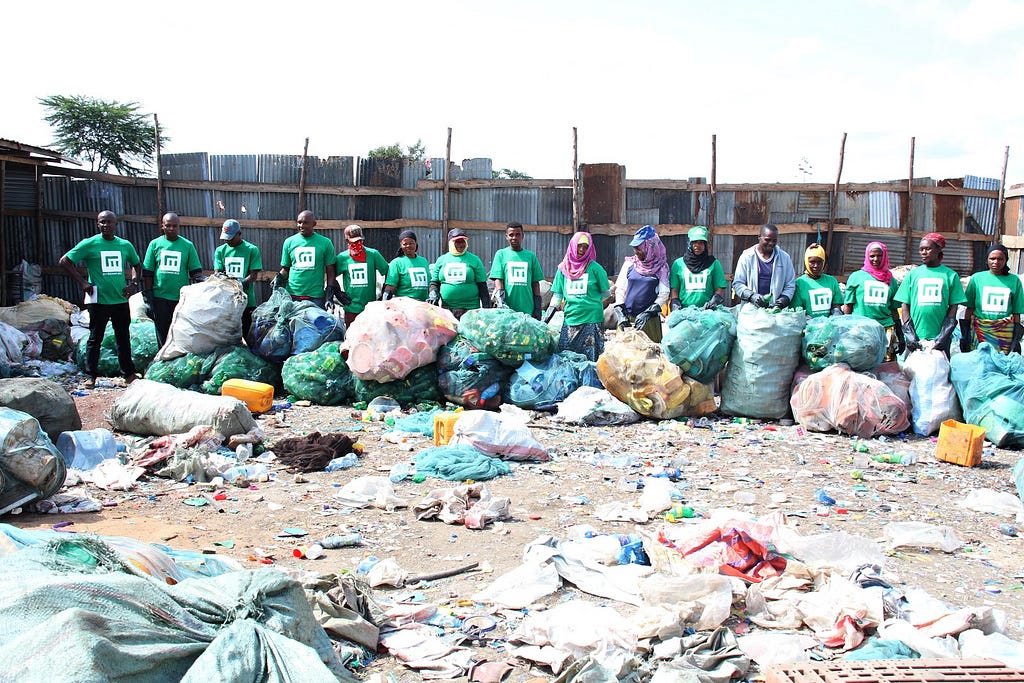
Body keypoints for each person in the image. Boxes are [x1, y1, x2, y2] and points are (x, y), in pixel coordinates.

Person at [59, 210, 141, 388]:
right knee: (95, 338)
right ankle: (91, 376)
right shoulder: (89, 244)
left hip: (119, 300)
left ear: (115, 224)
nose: (106, 225)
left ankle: (128, 374)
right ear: (98, 224)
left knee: (123, 338)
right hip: (98, 301)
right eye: (102, 222)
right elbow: (65, 261)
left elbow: (137, 265)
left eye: (109, 222)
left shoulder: (125, 245)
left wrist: (133, 283)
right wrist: (82, 282)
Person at [542, 232, 611, 362]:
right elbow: (557, 296)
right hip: (570, 320)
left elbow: (606, 294)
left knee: (591, 360)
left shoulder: (595, 268)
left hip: (592, 321)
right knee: (565, 358)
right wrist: (546, 319)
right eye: (579, 246)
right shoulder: (563, 269)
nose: (582, 250)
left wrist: (591, 302)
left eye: (586, 247)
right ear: (573, 246)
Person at [894, 233, 967, 356]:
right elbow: (905, 304)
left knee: (940, 372)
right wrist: (910, 334)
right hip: (916, 335)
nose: (923, 252)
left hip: (939, 338)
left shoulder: (950, 276)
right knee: (911, 372)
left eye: (928, 249)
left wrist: (943, 335)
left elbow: (953, 307)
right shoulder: (913, 275)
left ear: (939, 249)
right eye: (921, 249)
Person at [142, 212, 203, 347]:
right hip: (160, 297)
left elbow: (196, 273)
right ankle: (162, 363)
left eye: (174, 226)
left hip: (180, 298)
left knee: (179, 333)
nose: (171, 229)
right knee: (162, 334)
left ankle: (177, 362)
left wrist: (208, 282)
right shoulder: (155, 244)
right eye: (168, 225)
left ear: (179, 227)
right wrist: (149, 296)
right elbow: (148, 273)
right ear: (162, 226)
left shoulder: (187, 245)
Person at [842, 241, 905, 359]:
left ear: (884, 256)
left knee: (885, 369)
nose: (876, 259)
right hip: (860, 329)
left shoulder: (891, 280)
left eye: (879, 255)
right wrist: (845, 329)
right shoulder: (856, 277)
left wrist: (900, 333)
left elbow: (894, 309)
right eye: (872, 256)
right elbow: (848, 306)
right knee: (861, 363)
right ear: (867, 256)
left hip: (885, 329)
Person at [961, 244, 1024, 354]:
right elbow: (970, 309)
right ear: (987, 260)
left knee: (1002, 364)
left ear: (1006, 260)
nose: (996, 262)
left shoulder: (1014, 281)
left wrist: (1016, 338)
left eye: (1000, 259)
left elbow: (1016, 313)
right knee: (981, 362)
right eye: (992, 258)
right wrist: (965, 333)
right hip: (981, 331)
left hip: (1004, 334)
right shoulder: (977, 278)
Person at [613, 225, 670, 342]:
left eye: (639, 248)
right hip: (628, 318)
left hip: (649, 321)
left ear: (650, 248)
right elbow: (620, 289)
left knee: (648, 356)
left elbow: (664, 294)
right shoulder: (630, 264)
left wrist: (647, 313)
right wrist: (620, 312)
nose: (636, 252)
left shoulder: (661, 267)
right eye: (634, 248)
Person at [273, 210, 340, 308]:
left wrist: (329, 295)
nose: (301, 225)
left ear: (314, 224)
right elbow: (285, 269)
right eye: (299, 222)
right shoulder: (289, 242)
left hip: (316, 297)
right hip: (293, 296)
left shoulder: (326, 243)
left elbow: (330, 271)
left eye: (305, 223)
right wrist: (278, 279)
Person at [213, 219, 262, 339]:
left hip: (246, 301)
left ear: (239, 234)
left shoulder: (251, 250)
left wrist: (238, 286)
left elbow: (253, 275)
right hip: (227, 302)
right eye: (225, 238)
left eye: (231, 237)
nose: (227, 240)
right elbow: (217, 273)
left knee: (246, 336)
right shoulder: (220, 251)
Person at [428, 228, 490, 319]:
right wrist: (433, 293)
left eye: (463, 241)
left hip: (471, 310)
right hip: (447, 310)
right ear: (450, 243)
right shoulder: (441, 260)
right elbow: (434, 283)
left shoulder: (474, 260)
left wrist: (486, 309)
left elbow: (482, 286)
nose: (460, 244)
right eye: (457, 242)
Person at [731, 224, 796, 309]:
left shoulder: (784, 258)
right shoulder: (747, 256)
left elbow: (790, 285)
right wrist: (751, 296)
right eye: (767, 240)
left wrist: (783, 300)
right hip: (751, 311)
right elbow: (738, 283)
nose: (771, 243)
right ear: (759, 237)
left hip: (775, 311)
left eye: (774, 240)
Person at [335, 224, 388, 325]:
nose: (357, 244)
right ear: (347, 241)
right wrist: (338, 292)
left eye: (359, 241)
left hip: (370, 308)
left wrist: (384, 292)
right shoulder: (342, 258)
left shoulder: (373, 254)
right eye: (354, 242)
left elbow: (388, 273)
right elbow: (331, 276)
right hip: (351, 308)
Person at [489, 221, 544, 318]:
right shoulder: (501, 254)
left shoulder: (530, 256)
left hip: (528, 309)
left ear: (523, 236)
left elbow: (535, 283)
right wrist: (501, 301)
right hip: (508, 309)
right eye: (511, 235)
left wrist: (537, 306)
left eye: (517, 234)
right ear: (506, 237)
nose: (514, 237)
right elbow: (498, 280)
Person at [669, 225, 727, 310]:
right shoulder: (678, 264)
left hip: (708, 312)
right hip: (684, 311)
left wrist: (714, 301)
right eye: (694, 242)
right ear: (690, 244)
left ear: (705, 244)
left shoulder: (714, 263)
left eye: (701, 242)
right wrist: (675, 302)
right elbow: (674, 289)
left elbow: (719, 287)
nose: (697, 245)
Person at [791, 243, 843, 317]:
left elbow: (836, 307)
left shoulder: (832, 281)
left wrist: (835, 317)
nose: (816, 266)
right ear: (806, 261)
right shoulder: (799, 283)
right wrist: (812, 324)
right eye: (812, 262)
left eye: (819, 262)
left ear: (824, 262)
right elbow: (798, 310)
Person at [383, 229, 430, 301]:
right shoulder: (396, 263)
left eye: (411, 243)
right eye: (405, 244)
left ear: (416, 244)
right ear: (401, 246)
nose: (408, 246)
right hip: (405, 306)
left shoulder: (423, 261)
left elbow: (429, 282)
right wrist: (386, 297)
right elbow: (391, 286)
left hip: (423, 305)